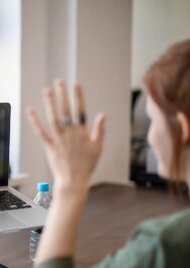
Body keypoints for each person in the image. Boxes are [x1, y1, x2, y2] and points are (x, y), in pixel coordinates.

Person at [27, 40, 190, 268]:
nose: (151, 136)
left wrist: (69, 186)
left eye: (153, 120)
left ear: (182, 129)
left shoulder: (165, 246)